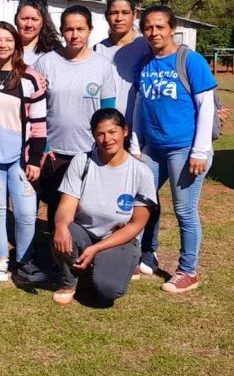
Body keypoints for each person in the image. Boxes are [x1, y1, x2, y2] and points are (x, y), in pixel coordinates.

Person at [134, 5, 217, 293]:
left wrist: (200, 151)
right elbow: (139, 106)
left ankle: (188, 271)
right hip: (152, 149)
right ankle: (147, 255)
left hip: (184, 149)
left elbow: (206, 106)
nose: (153, 32)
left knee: (184, 210)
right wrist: (136, 144)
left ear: (172, 29)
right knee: (142, 202)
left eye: (159, 27)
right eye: (148, 27)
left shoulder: (190, 61)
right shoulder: (145, 64)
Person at [33, 6, 117, 274]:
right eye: (69, 28)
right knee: (57, 211)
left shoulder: (102, 67)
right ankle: (57, 262)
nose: (74, 34)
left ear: (90, 30)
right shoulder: (46, 62)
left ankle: (86, 260)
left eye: (80, 29)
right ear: (61, 30)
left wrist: (104, 151)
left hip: (88, 154)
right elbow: (33, 108)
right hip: (54, 153)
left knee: (87, 212)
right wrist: (42, 145)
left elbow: (109, 114)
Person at [52, 109, 157, 306]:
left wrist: (97, 248)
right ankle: (69, 282)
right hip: (84, 233)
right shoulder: (81, 162)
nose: (106, 139)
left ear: (124, 131)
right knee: (65, 230)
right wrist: (60, 226)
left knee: (108, 290)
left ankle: (102, 263)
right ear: (93, 135)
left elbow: (136, 225)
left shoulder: (142, 173)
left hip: (117, 239)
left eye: (112, 132)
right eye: (100, 134)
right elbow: (66, 207)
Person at [0, 22, 48, 283]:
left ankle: (25, 260)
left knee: (26, 212)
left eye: (8, 40)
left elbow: (40, 124)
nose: (2, 45)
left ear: (16, 45)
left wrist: (34, 160)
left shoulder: (30, 78)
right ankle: (0, 258)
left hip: (22, 159)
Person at [93, 0, 150, 125]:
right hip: (109, 131)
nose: (119, 18)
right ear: (107, 16)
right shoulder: (98, 50)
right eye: (114, 13)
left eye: (125, 12)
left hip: (141, 130)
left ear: (134, 15)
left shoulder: (147, 46)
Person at [14, 0, 62, 66]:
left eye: (34, 19)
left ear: (43, 22)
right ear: (15, 20)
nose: (29, 25)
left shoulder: (55, 53)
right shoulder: (5, 49)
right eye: (24, 18)